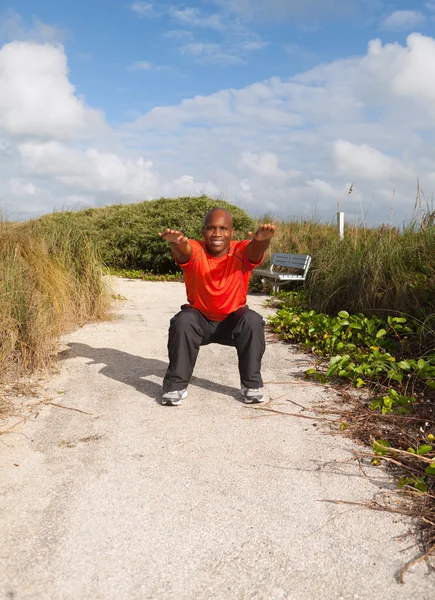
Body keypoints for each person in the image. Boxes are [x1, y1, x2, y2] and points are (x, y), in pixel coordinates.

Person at [158, 208, 276, 406]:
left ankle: (251, 386)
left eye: (223, 228)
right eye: (211, 228)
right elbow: (184, 251)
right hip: (200, 322)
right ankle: (175, 386)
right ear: (203, 232)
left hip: (231, 323)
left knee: (253, 320)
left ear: (232, 232)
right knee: (182, 320)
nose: (217, 233)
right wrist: (176, 243)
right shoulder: (196, 250)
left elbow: (255, 249)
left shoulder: (240, 250)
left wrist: (263, 240)